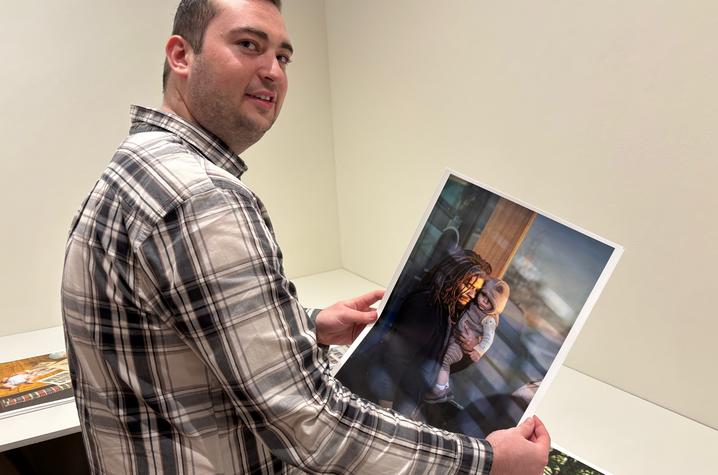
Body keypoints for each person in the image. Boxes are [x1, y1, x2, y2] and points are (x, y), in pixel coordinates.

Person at [60, 0, 550, 473]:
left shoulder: (138, 164)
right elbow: (314, 426)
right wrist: (487, 462)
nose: (273, 70)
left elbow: (175, 326)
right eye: (249, 44)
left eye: (283, 56)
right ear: (182, 55)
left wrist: (309, 324)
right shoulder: (203, 200)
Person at [426, 278, 510, 403]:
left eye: (489, 302)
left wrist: (478, 350)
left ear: (495, 307)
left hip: (460, 345)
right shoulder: (474, 303)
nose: (483, 301)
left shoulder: (489, 319)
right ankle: (445, 388)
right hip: (454, 336)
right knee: (440, 354)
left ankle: (440, 390)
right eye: (483, 295)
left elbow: (489, 338)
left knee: (445, 359)